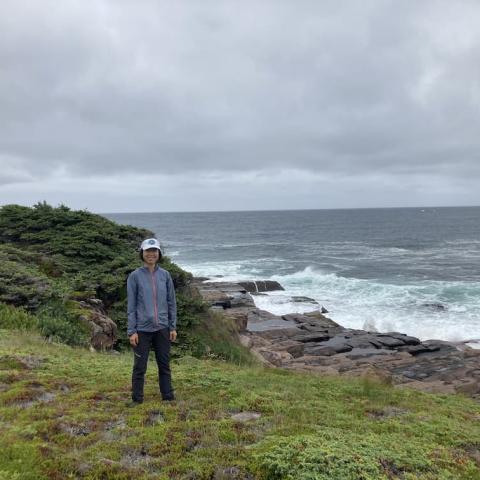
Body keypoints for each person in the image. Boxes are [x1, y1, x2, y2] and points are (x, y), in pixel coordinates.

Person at [126, 238, 177, 405]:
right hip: (142, 329)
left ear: (159, 254)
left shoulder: (165, 275)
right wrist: (132, 330)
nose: (151, 254)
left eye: (154, 251)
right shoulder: (134, 276)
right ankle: (137, 399)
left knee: (164, 364)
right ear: (142, 253)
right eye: (148, 251)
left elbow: (171, 302)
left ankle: (168, 397)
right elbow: (131, 305)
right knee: (140, 366)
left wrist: (172, 326)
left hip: (162, 328)